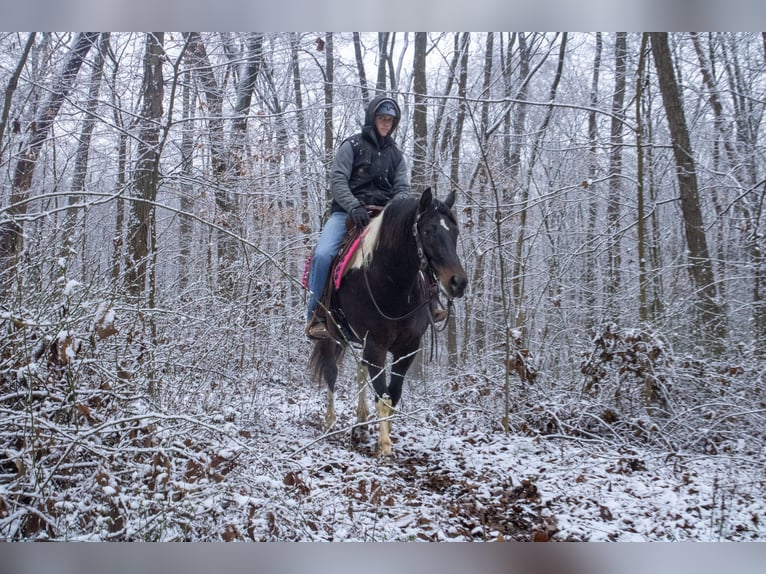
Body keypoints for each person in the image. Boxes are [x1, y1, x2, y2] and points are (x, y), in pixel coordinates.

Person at [305, 94, 411, 339]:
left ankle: (425, 306)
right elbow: (338, 181)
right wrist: (354, 206)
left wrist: (394, 211)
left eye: (390, 120)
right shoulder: (351, 146)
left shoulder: (396, 155)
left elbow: (402, 188)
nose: (386, 124)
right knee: (323, 255)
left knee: (415, 247)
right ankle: (316, 314)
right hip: (347, 213)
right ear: (372, 119)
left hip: (383, 216)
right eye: (382, 119)